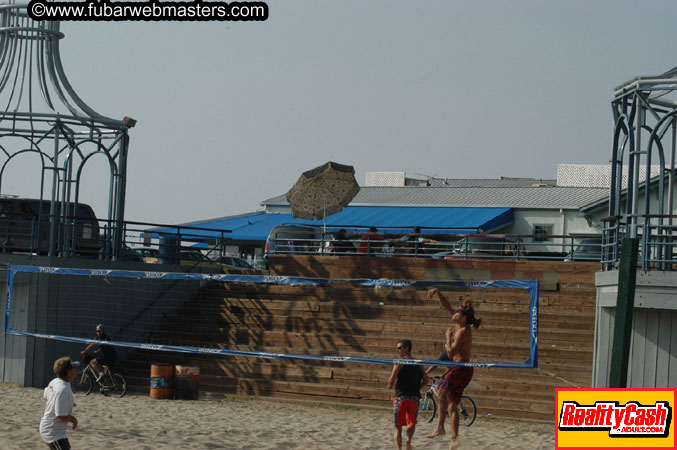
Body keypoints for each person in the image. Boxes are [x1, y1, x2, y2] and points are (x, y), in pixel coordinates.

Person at [425, 289, 482, 449]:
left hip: (461, 368)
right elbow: (447, 306)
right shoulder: (459, 323)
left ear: (463, 317)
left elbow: (451, 352)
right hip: (460, 369)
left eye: (457, 312)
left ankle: (440, 428)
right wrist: (437, 292)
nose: (453, 313)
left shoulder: (463, 331)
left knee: (440, 390)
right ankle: (454, 439)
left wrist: (447, 338)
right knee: (452, 404)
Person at [387, 339, 429, 450]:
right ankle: (408, 440)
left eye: (400, 348)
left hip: (401, 397)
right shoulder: (418, 363)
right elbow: (426, 380)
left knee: (398, 427)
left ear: (407, 348)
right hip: (414, 398)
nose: (397, 350)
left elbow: (392, 377)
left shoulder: (400, 361)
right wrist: (417, 388)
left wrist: (390, 385)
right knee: (412, 423)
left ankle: (399, 449)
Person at [40, 356, 78, 450]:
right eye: (73, 368)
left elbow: (46, 395)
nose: (75, 369)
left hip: (56, 430)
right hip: (52, 431)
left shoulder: (55, 381)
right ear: (68, 372)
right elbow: (61, 415)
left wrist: (66, 402)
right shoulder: (63, 389)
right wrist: (74, 420)